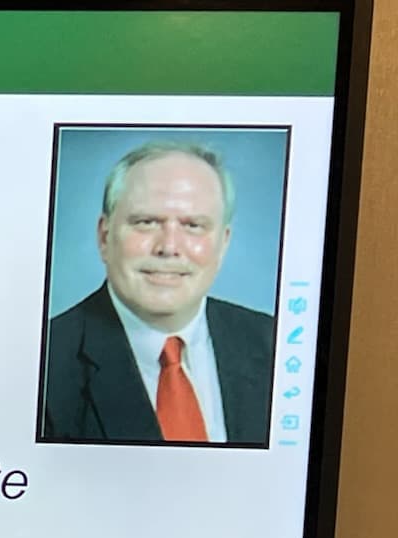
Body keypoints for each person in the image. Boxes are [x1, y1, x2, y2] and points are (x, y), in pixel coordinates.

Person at [41, 141, 274, 446]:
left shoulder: (273, 344)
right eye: (146, 222)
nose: (169, 247)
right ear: (104, 236)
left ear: (223, 244)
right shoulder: (45, 362)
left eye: (193, 225)